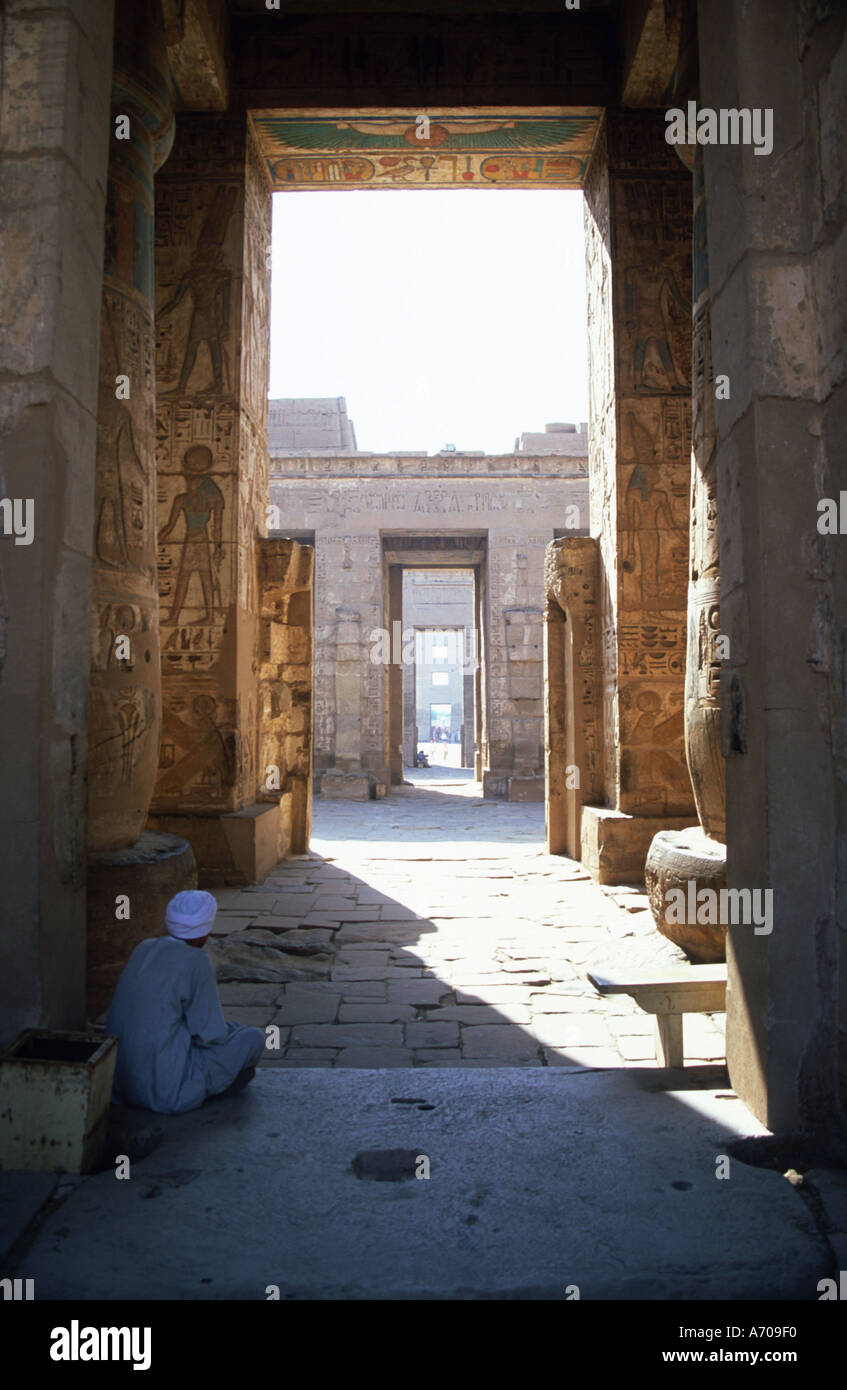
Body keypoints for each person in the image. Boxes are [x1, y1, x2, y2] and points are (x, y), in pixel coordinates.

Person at [105, 890, 266, 1115]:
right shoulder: (197, 960)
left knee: (218, 1030)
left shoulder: (143, 947)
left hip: (119, 1086)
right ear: (206, 929)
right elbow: (210, 1035)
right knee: (252, 1038)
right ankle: (206, 1088)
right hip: (165, 1092)